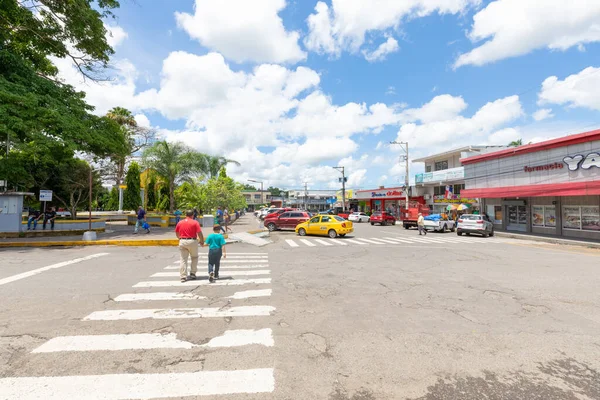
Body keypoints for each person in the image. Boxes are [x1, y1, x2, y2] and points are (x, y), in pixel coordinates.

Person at [175, 210, 204, 283]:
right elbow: (199, 233)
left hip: (182, 241)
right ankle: (193, 273)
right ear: (193, 215)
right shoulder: (195, 222)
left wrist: (180, 238)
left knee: (183, 259)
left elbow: (177, 232)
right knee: (194, 257)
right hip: (192, 241)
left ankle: (183, 276)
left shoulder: (180, 222)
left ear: (186, 215)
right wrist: (202, 241)